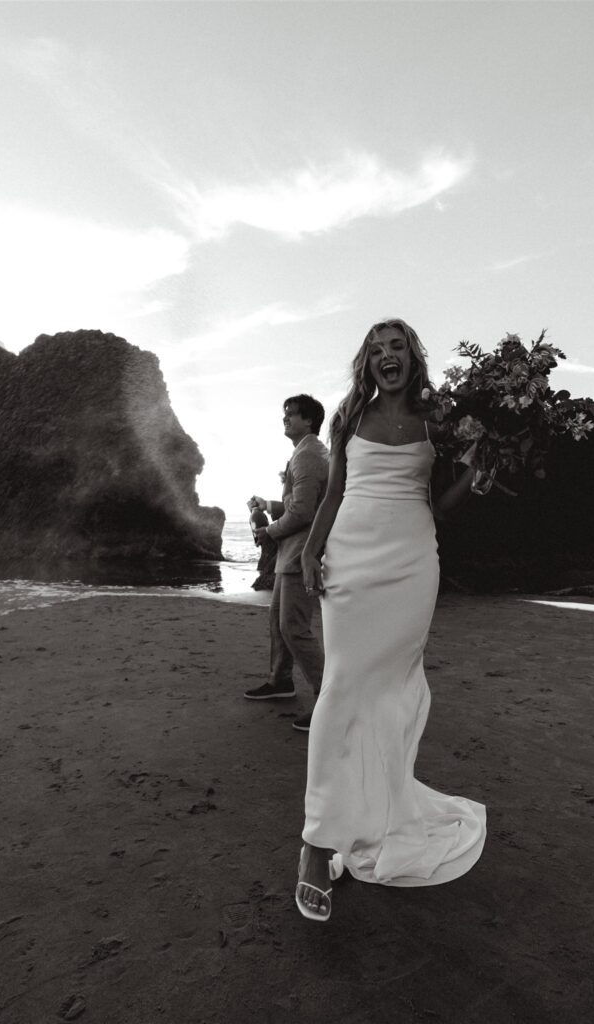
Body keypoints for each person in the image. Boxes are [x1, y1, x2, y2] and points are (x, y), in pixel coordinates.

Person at [296, 319, 487, 921]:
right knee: (341, 688)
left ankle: (374, 812)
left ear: (413, 354)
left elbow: (438, 506)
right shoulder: (349, 415)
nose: (387, 357)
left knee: (393, 695)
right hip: (351, 561)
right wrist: (308, 549)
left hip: (411, 565)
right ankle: (316, 842)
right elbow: (332, 495)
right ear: (366, 362)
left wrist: (475, 476)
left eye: (396, 347)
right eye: (376, 350)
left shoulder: (439, 417)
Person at [244, 394, 330, 732]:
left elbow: (304, 513)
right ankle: (280, 681)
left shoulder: (308, 455)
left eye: (291, 414)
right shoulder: (305, 453)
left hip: (301, 553)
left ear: (309, 421)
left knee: (294, 627)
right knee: (278, 621)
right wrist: (268, 503)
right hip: (290, 553)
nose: (285, 419)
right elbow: (299, 502)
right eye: (284, 414)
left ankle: (328, 699)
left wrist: (267, 532)